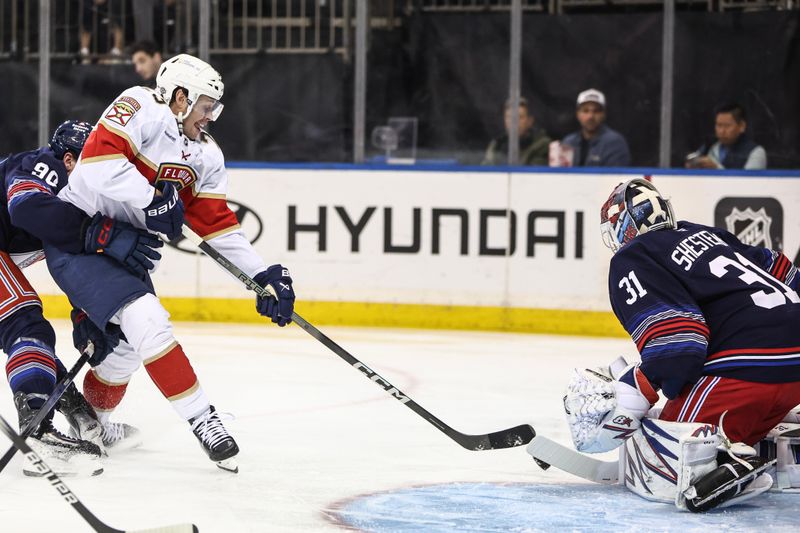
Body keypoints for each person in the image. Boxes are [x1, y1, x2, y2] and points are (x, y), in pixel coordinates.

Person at [45, 54, 297, 473]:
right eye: (205, 106)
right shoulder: (140, 106)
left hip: (126, 251)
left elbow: (218, 225)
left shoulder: (207, 157)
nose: (209, 117)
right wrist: (153, 200)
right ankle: (204, 419)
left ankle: (90, 423)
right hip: (80, 239)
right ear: (181, 97)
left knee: (123, 351)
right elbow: (97, 164)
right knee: (148, 319)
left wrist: (261, 276)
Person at [563, 178, 800, 511]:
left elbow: (680, 345)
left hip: (747, 367)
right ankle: (767, 445)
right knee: (744, 410)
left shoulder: (633, 256)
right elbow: (786, 273)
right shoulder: (706, 233)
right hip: (792, 368)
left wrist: (637, 387)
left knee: (667, 446)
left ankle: (725, 461)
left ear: (625, 227)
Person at [0, 120, 163, 476]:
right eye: (94, 159)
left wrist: (85, 313)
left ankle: (75, 413)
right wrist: (94, 231)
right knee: (24, 323)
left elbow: (74, 258)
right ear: (70, 158)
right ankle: (39, 432)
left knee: (29, 334)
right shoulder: (46, 167)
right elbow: (26, 209)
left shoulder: (82, 191)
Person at [685, 103, 767, 170]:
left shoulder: (755, 152)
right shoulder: (709, 146)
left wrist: (716, 168)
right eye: (719, 125)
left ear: (742, 126)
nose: (722, 131)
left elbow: (749, 185)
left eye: (727, 126)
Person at [561, 89, 631, 167]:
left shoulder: (615, 142)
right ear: (578, 114)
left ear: (603, 114)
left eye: (596, 111)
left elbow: (616, 177)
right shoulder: (569, 142)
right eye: (585, 110)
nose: (590, 116)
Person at [482, 97, 551, 166]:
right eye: (509, 117)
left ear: (530, 121)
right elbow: (485, 172)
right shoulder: (497, 145)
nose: (513, 122)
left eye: (519, 117)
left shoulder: (542, 145)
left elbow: (534, 174)